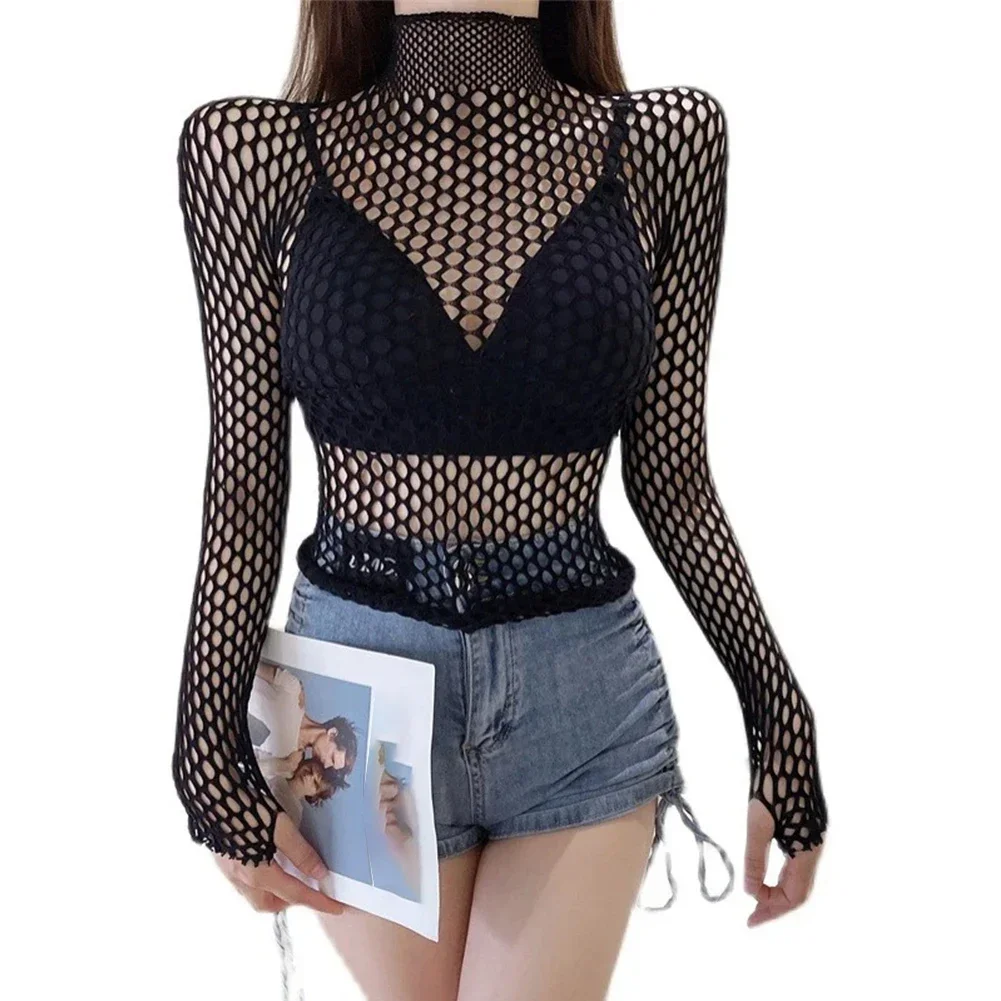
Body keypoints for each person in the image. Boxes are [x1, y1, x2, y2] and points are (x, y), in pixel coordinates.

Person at [172, 2, 829, 998]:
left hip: (581, 698)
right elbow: (243, 483)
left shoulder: (662, 141)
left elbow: (672, 475)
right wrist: (203, 741)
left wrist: (780, 716)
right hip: (354, 704)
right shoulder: (251, 152)